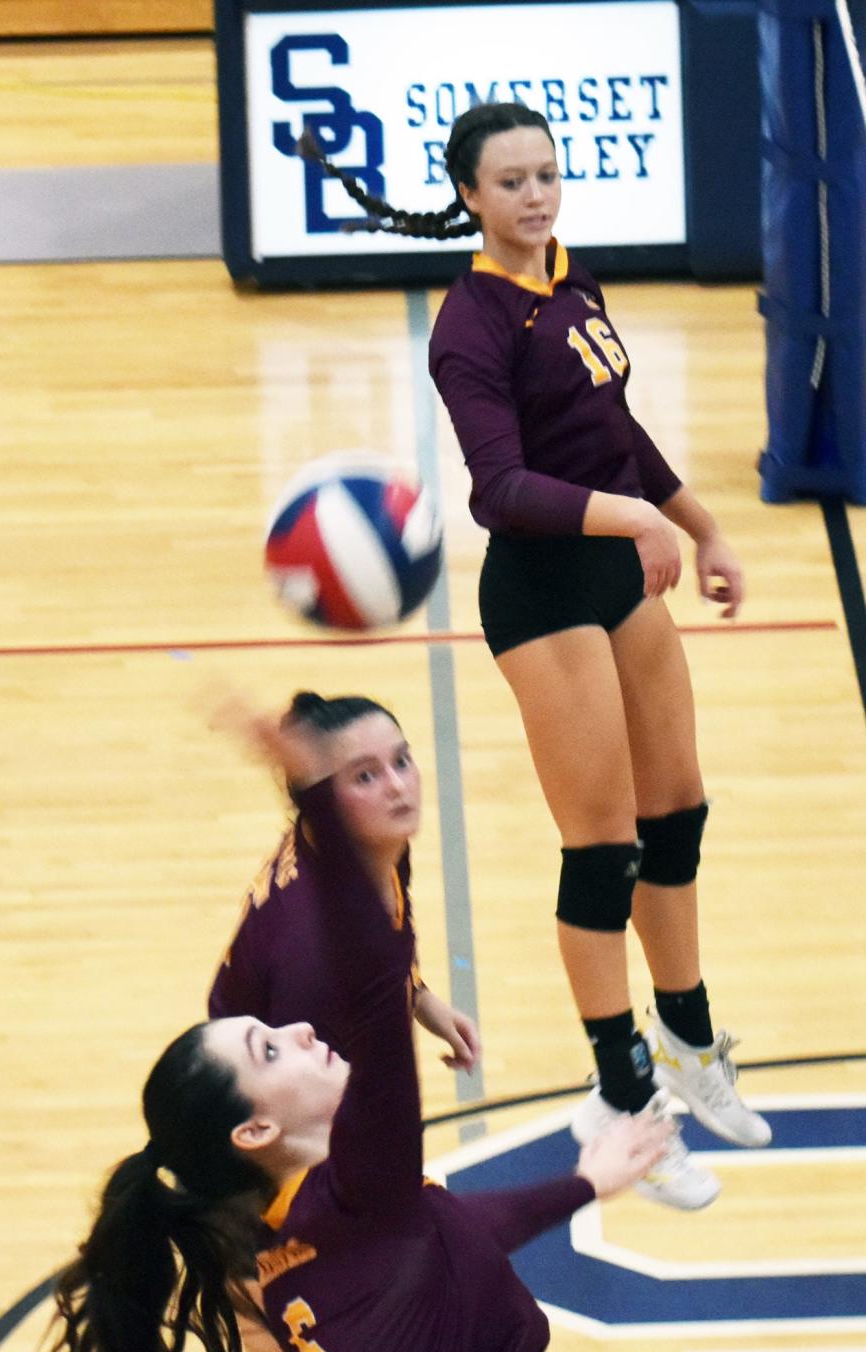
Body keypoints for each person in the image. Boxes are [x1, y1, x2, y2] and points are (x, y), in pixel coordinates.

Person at [298, 104, 771, 1211]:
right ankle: (622, 1092)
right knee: (602, 846)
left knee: (678, 815)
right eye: (511, 182)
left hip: (620, 566)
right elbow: (500, 489)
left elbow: (621, 432)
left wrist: (697, 524)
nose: (536, 196)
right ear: (470, 195)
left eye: (547, 175)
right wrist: (637, 523)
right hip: (545, 590)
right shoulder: (467, 325)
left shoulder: (571, 277)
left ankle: (691, 1038)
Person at [8, 712, 670, 1352]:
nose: (298, 1031)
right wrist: (320, 800)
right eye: (269, 1047)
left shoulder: (300, 1244)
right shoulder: (360, 1196)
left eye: (400, 762)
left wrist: (583, 1184)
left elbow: (450, 1233)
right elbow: (372, 994)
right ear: (256, 1130)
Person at [207, 690, 481, 1352]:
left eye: (401, 760)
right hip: (260, 1187)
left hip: (267, 1119)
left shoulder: (363, 848)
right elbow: (332, 1137)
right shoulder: (317, 964)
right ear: (323, 799)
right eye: (365, 776)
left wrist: (420, 999)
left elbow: (389, 937)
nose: (397, 786)